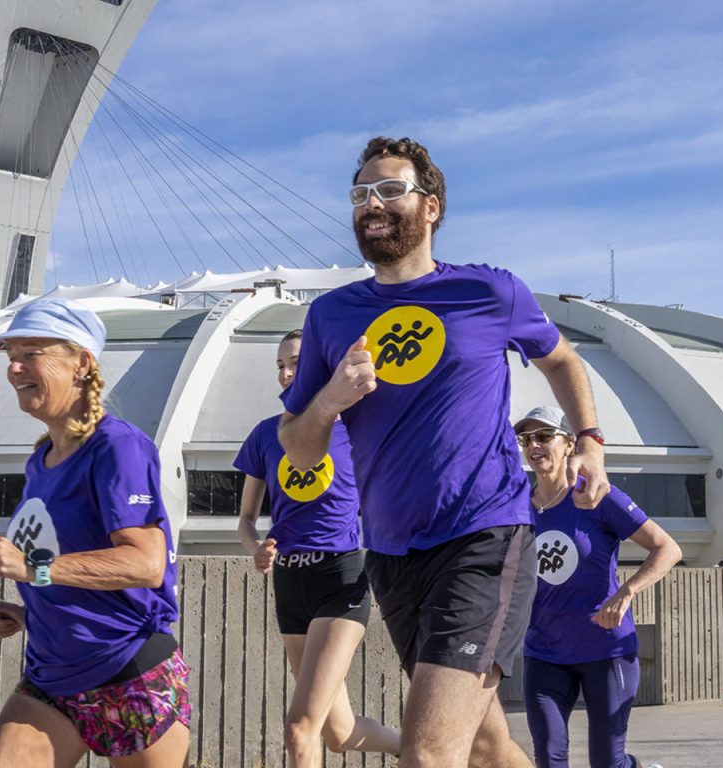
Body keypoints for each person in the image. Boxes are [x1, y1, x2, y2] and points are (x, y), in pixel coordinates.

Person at [278, 136, 610, 768]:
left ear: (430, 207)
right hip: (393, 553)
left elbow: (562, 360)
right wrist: (329, 402)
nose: (371, 204)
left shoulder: (490, 291)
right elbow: (297, 448)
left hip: (484, 537)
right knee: (484, 745)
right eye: (360, 193)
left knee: (428, 752)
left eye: (390, 190)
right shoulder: (331, 315)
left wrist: (589, 440)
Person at [0, 298, 190, 768]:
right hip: (51, 677)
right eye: (11, 355)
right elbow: (72, 565)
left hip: (128, 675)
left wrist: (33, 569)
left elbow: (146, 564)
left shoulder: (118, 447)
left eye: (31, 353)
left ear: (82, 364)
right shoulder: (40, 460)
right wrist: (34, 612)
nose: (14, 368)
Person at [235, 328, 402, 766]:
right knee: (338, 734)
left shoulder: (358, 429)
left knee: (299, 729)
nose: (286, 372)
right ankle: (414, 748)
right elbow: (246, 519)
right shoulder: (265, 435)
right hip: (290, 583)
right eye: (280, 365)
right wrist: (256, 548)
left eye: (295, 362)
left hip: (340, 578)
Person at [515, 405, 681, 768]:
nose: (533, 446)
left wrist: (627, 592)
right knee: (549, 758)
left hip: (606, 650)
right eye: (526, 440)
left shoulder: (596, 496)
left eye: (543, 436)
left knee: (608, 762)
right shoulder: (517, 508)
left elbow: (667, 548)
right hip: (545, 652)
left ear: (569, 444)